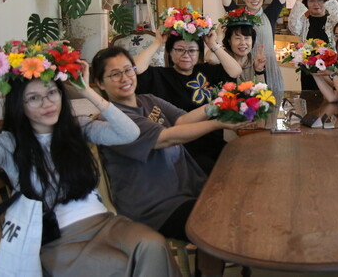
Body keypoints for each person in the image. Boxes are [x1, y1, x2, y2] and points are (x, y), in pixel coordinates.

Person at [0, 44, 179, 276]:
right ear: (19, 105)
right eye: (33, 98)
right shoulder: (8, 143)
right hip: (57, 236)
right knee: (116, 265)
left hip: (103, 221)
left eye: (52, 93)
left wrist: (86, 90)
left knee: (154, 245)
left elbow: (129, 133)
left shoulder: (77, 127)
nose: (47, 103)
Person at [91, 47, 250, 276]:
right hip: (155, 205)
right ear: (100, 83)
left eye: (128, 70)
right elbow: (165, 138)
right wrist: (218, 123)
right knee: (216, 220)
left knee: (239, 200)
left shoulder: (148, 100)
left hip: (184, 188)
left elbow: (182, 120)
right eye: (115, 74)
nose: (125, 78)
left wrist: (218, 104)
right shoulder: (113, 121)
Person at [134, 29, 241, 174]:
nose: (186, 55)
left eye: (192, 50)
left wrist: (212, 44)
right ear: (170, 52)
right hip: (182, 148)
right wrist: (158, 42)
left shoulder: (207, 71)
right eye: (179, 50)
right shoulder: (159, 75)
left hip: (214, 143)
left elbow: (235, 71)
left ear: (199, 53)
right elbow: (136, 69)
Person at [219, 0, 287, 93]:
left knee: (269, 101)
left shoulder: (270, 14)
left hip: (268, 68)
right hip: (243, 68)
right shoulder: (237, 15)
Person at [289, 0, 338, 90]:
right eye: (311, 0)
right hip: (308, 72)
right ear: (306, 3)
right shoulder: (304, 22)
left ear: (325, 2)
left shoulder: (332, 21)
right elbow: (292, 26)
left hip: (329, 71)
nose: (316, 4)